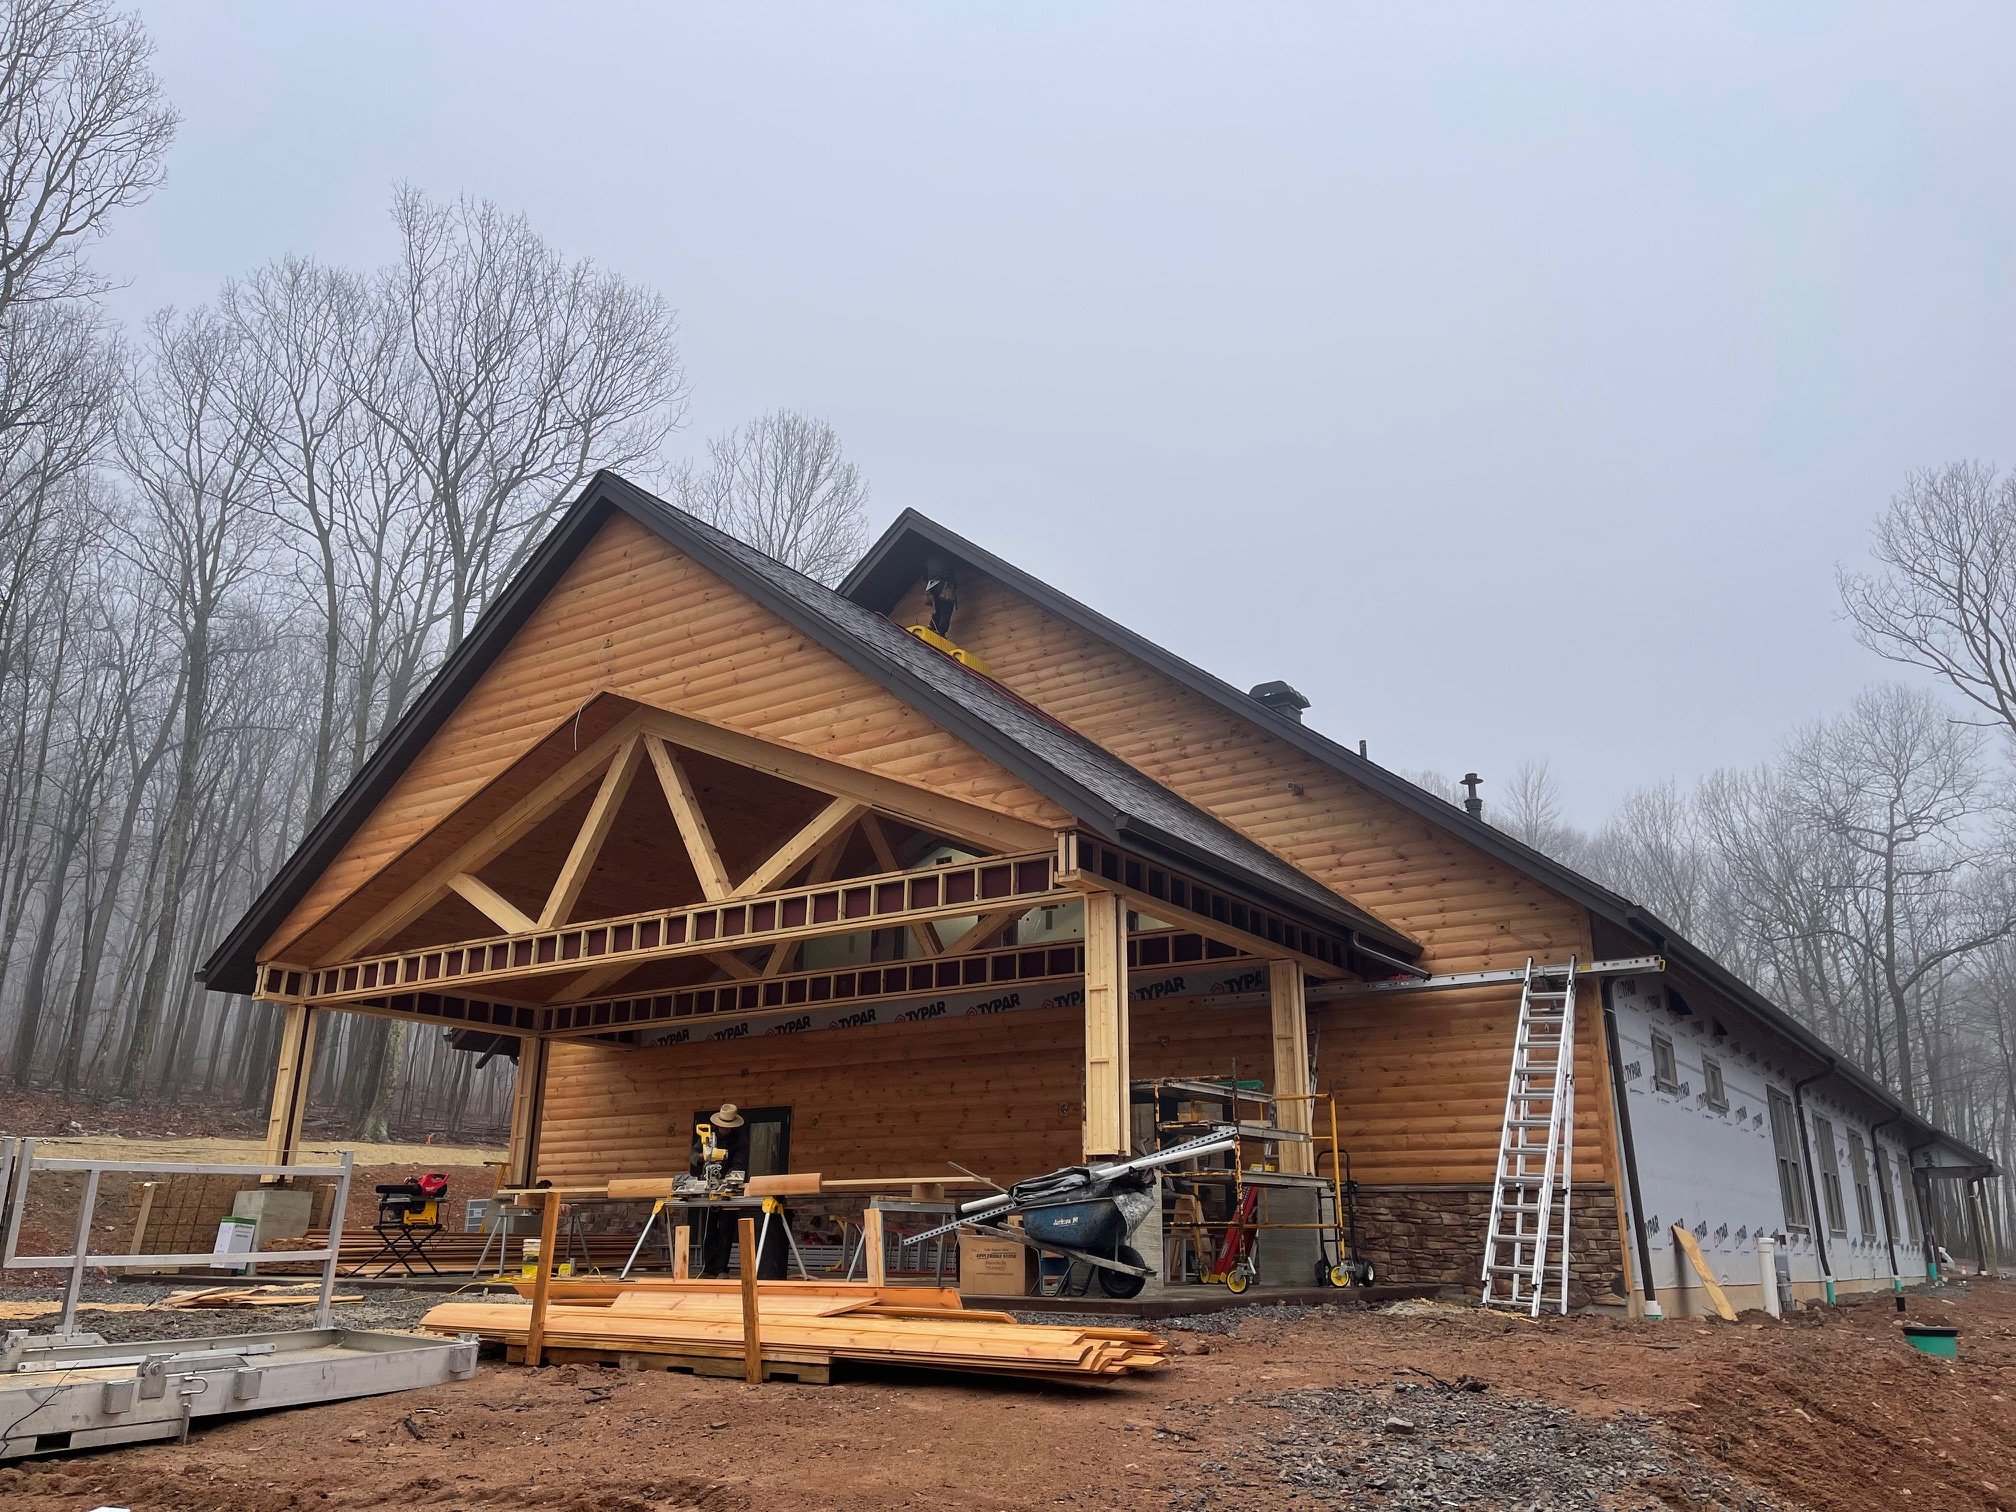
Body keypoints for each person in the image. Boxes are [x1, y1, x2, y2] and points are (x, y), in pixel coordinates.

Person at [687, 1103, 749, 1277]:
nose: (725, 1130)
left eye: (728, 1127)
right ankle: (708, 1267)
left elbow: (740, 1165)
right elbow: (693, 1155)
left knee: (726, 1230)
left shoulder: (740, 1140)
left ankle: (721, 1268)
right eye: (722, 1126)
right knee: (708, 1228)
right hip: (708, 1187)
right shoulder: (708, 1135)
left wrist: (729, 1180)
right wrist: (702, 1157)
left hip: (728, 1189)